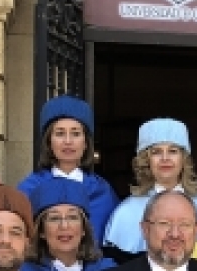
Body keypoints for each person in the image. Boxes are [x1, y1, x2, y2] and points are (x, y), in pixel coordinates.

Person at [103, 118, 197, 260]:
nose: (165, 158)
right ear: (146, 160)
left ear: (184, 159)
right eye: (156, 152)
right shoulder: (126, 212)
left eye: (173, 151)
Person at [18, 95, 120, 244]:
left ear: (86, 143)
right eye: (60, 133)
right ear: (48, 142)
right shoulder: (30, 188)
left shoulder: (102, 191)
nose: (68, 141)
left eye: (76, 133)